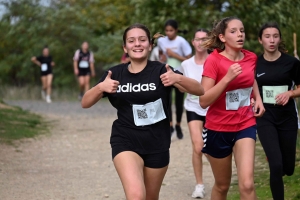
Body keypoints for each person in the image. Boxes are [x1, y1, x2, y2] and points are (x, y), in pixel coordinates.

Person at [81, 23, 204, 200]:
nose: (137, 44)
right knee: (137, 195)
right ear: (125, 47)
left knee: (151, 197)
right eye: (131, 41)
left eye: (142, 40)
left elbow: (199, 90)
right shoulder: (114, 74)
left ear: (150, 45)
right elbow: (85, 102)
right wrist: (101, 87)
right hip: (126, 140)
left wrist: (177, 78)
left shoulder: (162, 70)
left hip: (157, 142)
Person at [199, 16, 265, 200]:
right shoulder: (214, 61)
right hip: (218, 128)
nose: (240, 35)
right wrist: (227, 79)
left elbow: (250, 78)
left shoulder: (251, 57)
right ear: (222, 37)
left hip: (245, 123)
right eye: (233, 31)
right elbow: (204, 101)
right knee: (222, 186)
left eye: (242, 30)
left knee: (247, 184)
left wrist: (258, 98)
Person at [256, 22, 300, 200]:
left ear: (279, 38)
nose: (271, 40)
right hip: (265, 117)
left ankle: (282, 166)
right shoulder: (255, 63)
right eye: (267, 36)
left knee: (287, 168)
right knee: (275, 165)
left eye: (275, 36)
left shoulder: (292, 63)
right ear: (261, 40)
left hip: (287, 117)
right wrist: (253, 99)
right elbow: (249, 87)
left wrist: (290, 93)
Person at [179, 28, 209, 198]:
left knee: (213, 148)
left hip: (212, 109)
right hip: (193, 108)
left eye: (204, 39)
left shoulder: (215, 61)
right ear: (193, 42)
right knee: (198, 147)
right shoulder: (186, 64)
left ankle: (222, 178)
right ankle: (199, 185)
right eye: (197, 39)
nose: (200, 42)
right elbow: (183, 86)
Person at [157, 19, 192, 139]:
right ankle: (170, 125)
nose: (168, 33)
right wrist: (162, 57)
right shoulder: (161, 41)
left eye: (171, 30)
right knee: (166, 100)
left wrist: (174, 54)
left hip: (179, 74)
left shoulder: (181, 41)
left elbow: (189, 59)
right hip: (166, 73)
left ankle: (178, 125)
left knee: (178, 102)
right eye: (166, 30)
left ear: (176, 30)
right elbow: (161, 54)